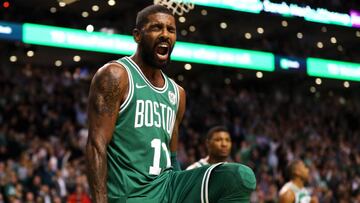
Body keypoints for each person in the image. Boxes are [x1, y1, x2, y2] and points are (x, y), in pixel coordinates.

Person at [86, 4, 256, 203]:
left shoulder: (177, 93)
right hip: (131, 195)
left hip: (168, 188)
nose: (165, 34)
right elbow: (96, 145)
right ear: (137, 35)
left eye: (171, 29)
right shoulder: (116, 76)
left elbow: (173, 158)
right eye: (157, 28)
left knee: (239, 176)